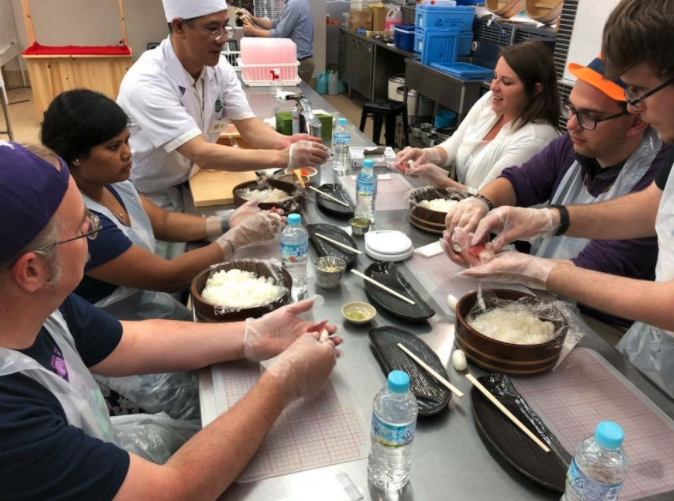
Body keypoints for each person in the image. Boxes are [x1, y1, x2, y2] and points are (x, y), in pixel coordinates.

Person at [0, 141, 342, 500]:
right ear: (32, 270)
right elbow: (174, 493)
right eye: (86, 229)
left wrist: (252, 333)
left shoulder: (36, 305)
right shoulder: (11, 423)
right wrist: (285, 383)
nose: (94, 235)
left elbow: (126, 342)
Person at [451, 0, 674, 396]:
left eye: (639, 91)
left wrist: (535, 269)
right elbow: (653, 208)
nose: (636, 104)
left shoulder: (654, 154)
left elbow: (643, 276)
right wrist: (547, 218)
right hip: (652, 346)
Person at [444, 57, 670, 328]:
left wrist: (529, 268)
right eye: (571, 110)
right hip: (548, 293)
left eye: (589, 116)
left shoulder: (657, 167)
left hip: (601, 321)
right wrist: (482, 202)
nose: (572, 125)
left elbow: (607, 262)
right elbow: (521, 180)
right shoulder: (572, 145)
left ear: (636, 121)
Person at [42, 89, 283, 322]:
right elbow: (167, 277)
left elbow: (163, 222)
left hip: (146, 305)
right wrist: (235, 239)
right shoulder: (80, 222)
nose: (128, 153)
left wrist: (227, 222)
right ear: (76, 156)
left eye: (127, 141)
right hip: (114, 324)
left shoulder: (113, 184)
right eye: (114, 147)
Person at [117, 0, 328, 258]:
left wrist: (284, 142)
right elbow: (201, 153)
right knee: (164, 269)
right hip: (149, 195)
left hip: (187, 181)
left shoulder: (217, 69)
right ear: (179, 27)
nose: (223, 39)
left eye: (225, 27)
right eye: (212, 29)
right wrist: (283, 157)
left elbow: (248, 126)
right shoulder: (148, 80)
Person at [393, 41, 561, 192]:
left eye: (507, 82)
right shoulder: (491, 101)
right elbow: (456, 143)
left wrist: (440, 181)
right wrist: (426, 154)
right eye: (495, 77)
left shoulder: (534, 139)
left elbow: (487, 198)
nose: (493, 87)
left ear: (536, 90)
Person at [240, 0, 315, 84]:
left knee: (294, 91)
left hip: (301, 63)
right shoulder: (295, 3)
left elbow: (279, 35)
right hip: (299, 61)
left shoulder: (293, 4)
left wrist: (254, 31)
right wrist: (252, 18)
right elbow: (275, 23)